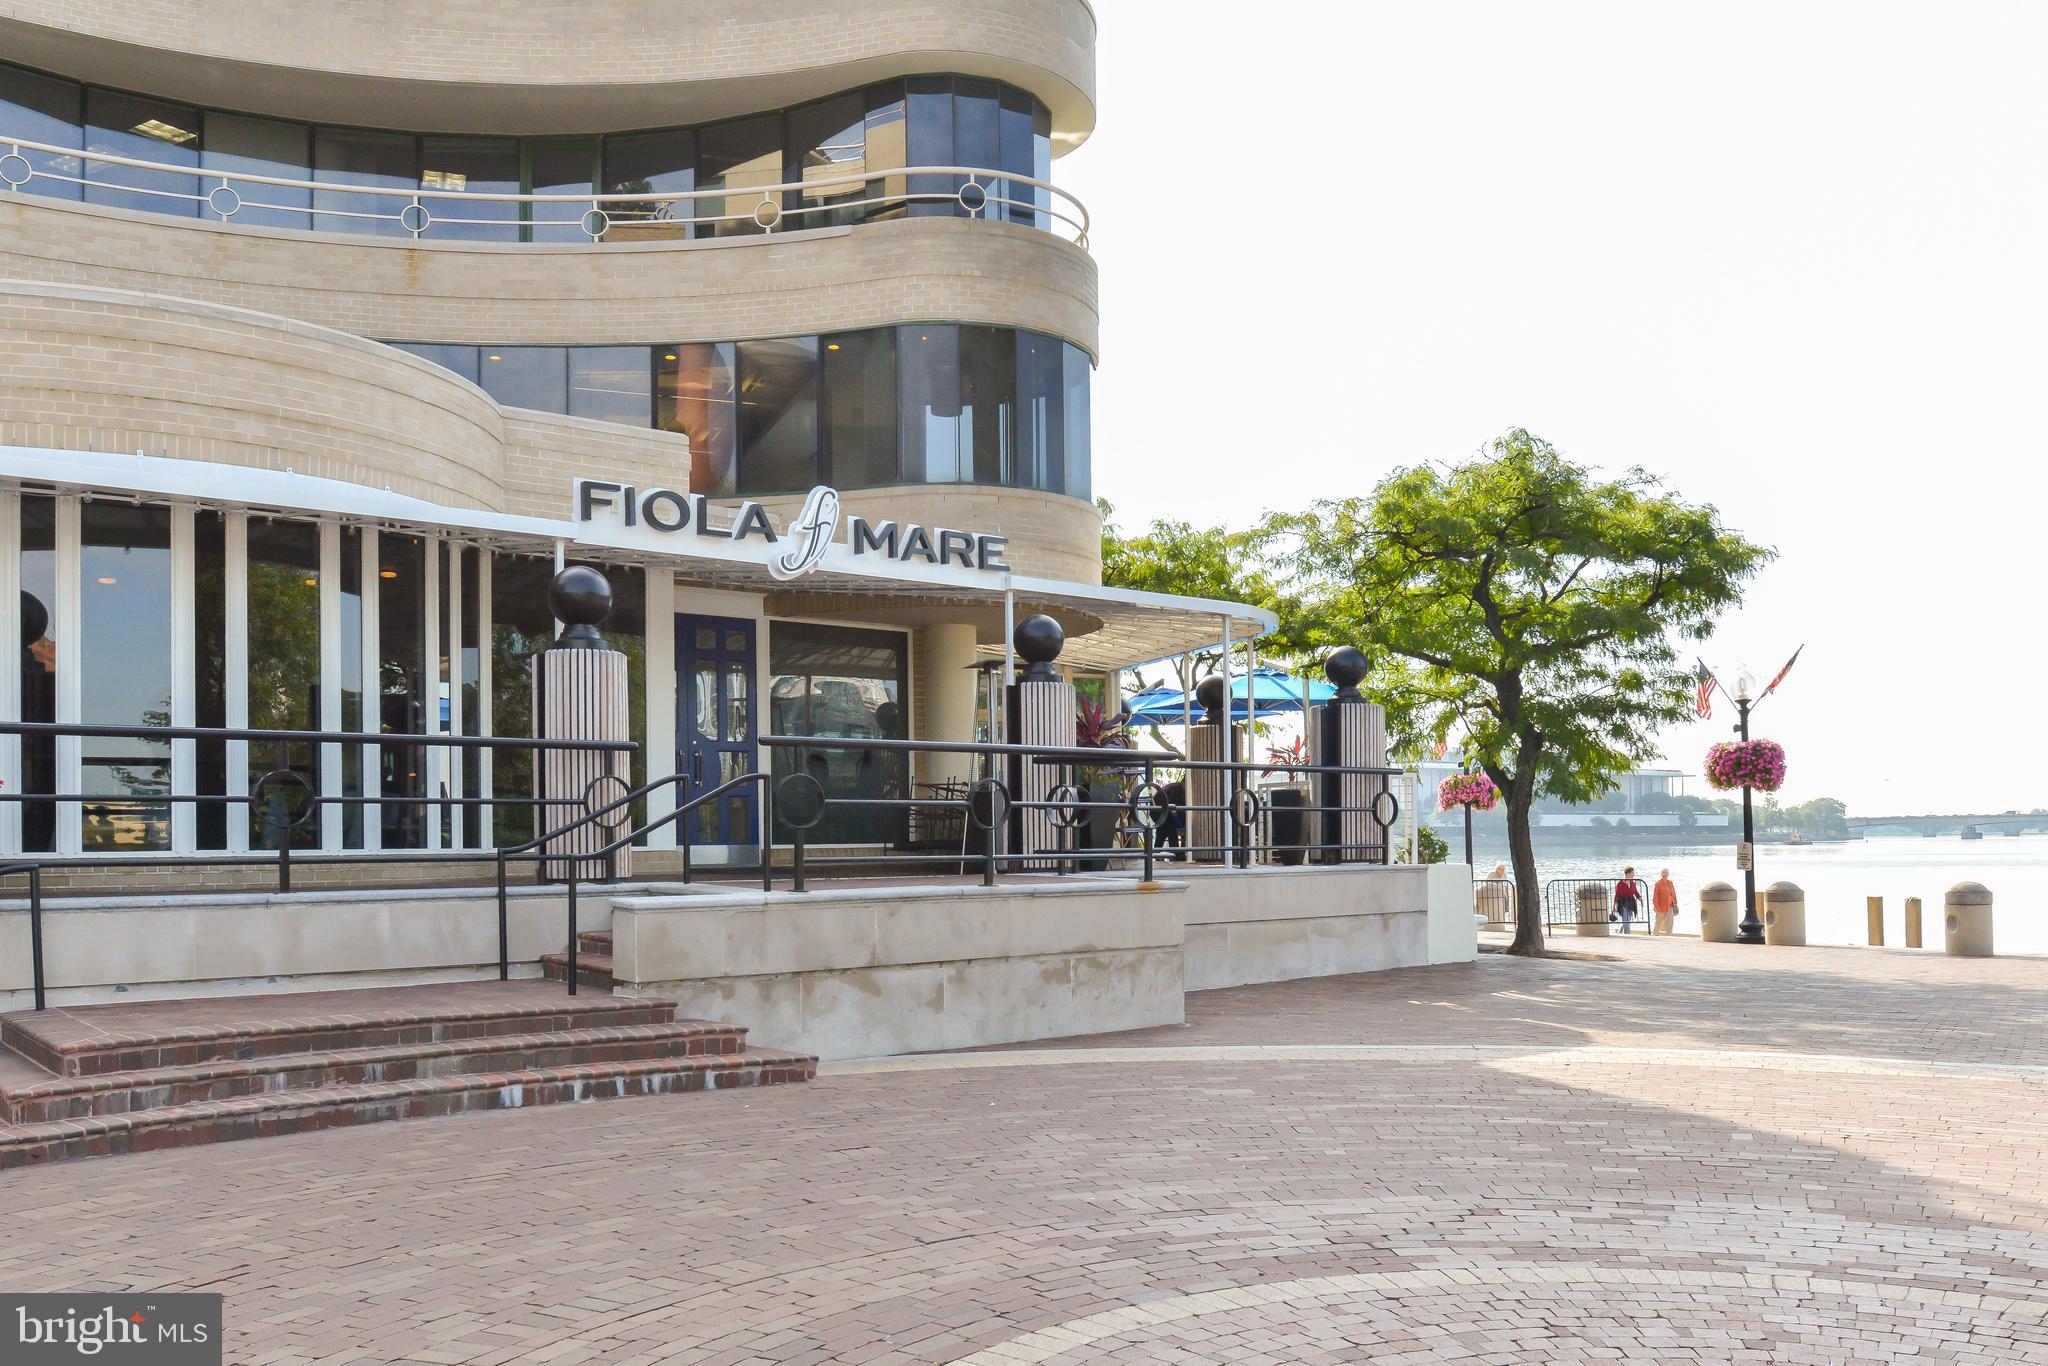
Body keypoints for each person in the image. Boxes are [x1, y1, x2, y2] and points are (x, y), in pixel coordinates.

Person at [1613, 866, 1641, 933]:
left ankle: (1620, 931)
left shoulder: (1632, 882)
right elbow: (1617, 894)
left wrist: (1640, 898)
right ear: (1628, 873)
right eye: (1632, 873)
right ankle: (1628, 933)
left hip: (1631, 902)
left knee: (1628, 919)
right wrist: (1614, 905)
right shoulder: (1620, 883)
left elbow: (1635, 892)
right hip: (1622, 902)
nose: (1634, 874)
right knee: (1625, 918)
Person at [1652, 868, 1678, 935]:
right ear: (1661, 874)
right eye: (1663, 872)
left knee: (1670, 922)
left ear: (1668, 874)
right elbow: (1655, 897)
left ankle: (1669, 935)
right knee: (1658, 921)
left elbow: (1673, 893)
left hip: (1670, 905)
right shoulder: (1658, 884)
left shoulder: (1670, 883)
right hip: (1661, 906)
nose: (1664, 874)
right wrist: (1656, 906)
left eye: (1666, 872)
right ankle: (1655, 934)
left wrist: (1675, 903)